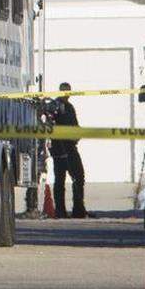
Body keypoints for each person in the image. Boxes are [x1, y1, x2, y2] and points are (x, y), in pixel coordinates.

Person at [50, 82, 86, 219]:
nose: (66, 94)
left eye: (68, 91)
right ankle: (60, 211)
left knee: (78, 177)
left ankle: (78, 209)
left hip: (70, 147)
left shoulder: (70, 107)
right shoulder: (55, 106)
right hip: (59, 148)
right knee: (60, 180)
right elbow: (51, 125)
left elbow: (75, 124)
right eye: (64, 91)